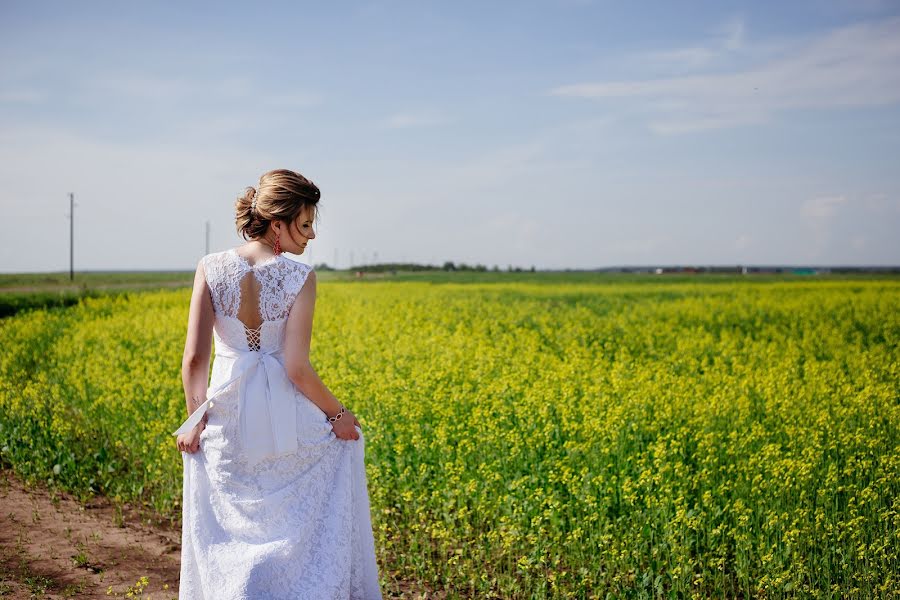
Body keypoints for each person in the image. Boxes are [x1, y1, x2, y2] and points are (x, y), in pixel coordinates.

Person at [174, 168, 382, 598]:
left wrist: (195, 418)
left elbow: (195, 358)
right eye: (305, 225)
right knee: (294, 526)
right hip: (284, 419)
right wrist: (339, 416)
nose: (311, 236)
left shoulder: (210, 267)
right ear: (277, 224)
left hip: (227, 419)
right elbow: (296, 368)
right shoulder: (300, 278)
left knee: (231, 533)